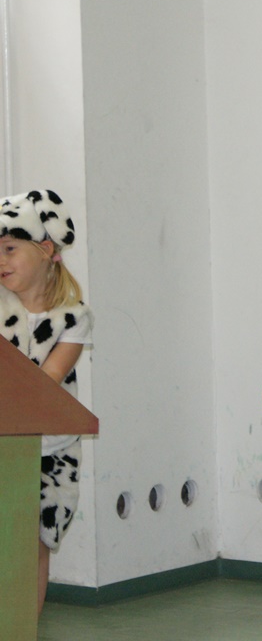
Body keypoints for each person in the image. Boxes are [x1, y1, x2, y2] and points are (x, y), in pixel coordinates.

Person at [0, 189, 93, 614]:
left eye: (10, 248)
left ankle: (24, 627)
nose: (1, 259)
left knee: (34, 544)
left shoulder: (72, 316)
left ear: (45, 250)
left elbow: (46, 381)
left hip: (50, 452)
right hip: (5, 445)